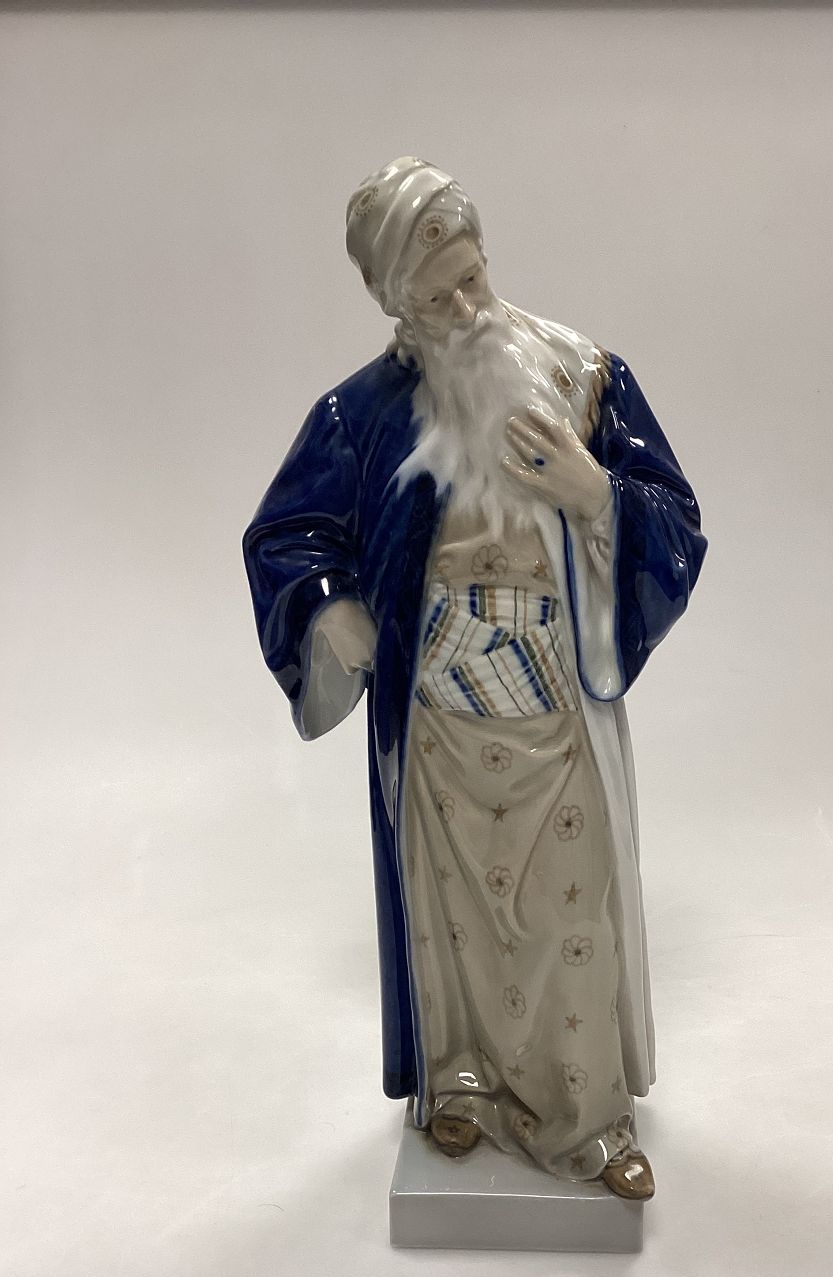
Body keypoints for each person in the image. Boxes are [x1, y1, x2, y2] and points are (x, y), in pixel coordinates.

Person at [243, 157, 706, 1199]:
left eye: (472, 278)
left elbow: (675, 516)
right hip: (440, 724)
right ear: (397, 306)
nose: (465, 309)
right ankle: (462, 1085)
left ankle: (586, 1123)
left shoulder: (582, 375)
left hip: (554, 706)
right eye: (436, 298)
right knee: (455, 925)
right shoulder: (362, 414)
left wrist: (597, 496)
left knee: (568, 920)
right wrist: (333, 607)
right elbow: (288, 534)